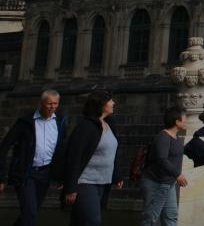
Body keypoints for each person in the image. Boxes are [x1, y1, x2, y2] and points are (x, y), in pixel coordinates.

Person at [52, 91, 121, 226]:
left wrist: (117, 175)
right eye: (110, 101)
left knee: (79, 221)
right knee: (92, 221)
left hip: (103, 182)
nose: (113, 103)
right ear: (101, 104)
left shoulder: (109, 124)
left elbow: (112, 153)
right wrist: (71, 188)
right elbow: (74, 157)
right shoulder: (86, 126)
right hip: (85, 181)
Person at [0, 89, 66, 226]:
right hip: (26, 173)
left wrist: (61, 175)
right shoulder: (25, 122)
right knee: (30, 213)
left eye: (55, 103)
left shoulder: (60, 121)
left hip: (45, 174)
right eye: (49, 103)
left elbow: (61, 150)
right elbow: (4, 146)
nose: (52, 107)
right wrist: (1, 177)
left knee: (30, 212)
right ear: (41, 103)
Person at [139, 108, 188, 226]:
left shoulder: (175, 137)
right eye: (184, 118)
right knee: (151, 218)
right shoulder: (163, 137)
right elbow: (162, 159)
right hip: (156, 183)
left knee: (171, 216)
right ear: (177, 121)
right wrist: (177, 174)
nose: (186, 121)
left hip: (168, 184)